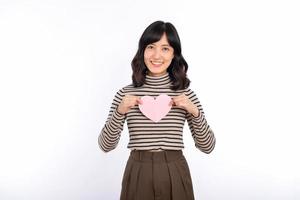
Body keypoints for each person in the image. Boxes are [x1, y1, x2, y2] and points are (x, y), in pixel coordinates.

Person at [98, 20, 216, 200]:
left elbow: (208, 147)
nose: (156, 55)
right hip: (138, 171)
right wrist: (119, 112)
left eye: (165, 48)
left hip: (175, 170)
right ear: (142, 51)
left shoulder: (185, 95)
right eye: (151, 47)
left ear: (174, 53)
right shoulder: (126, 94)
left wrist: (195, 113)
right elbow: (105, 145)